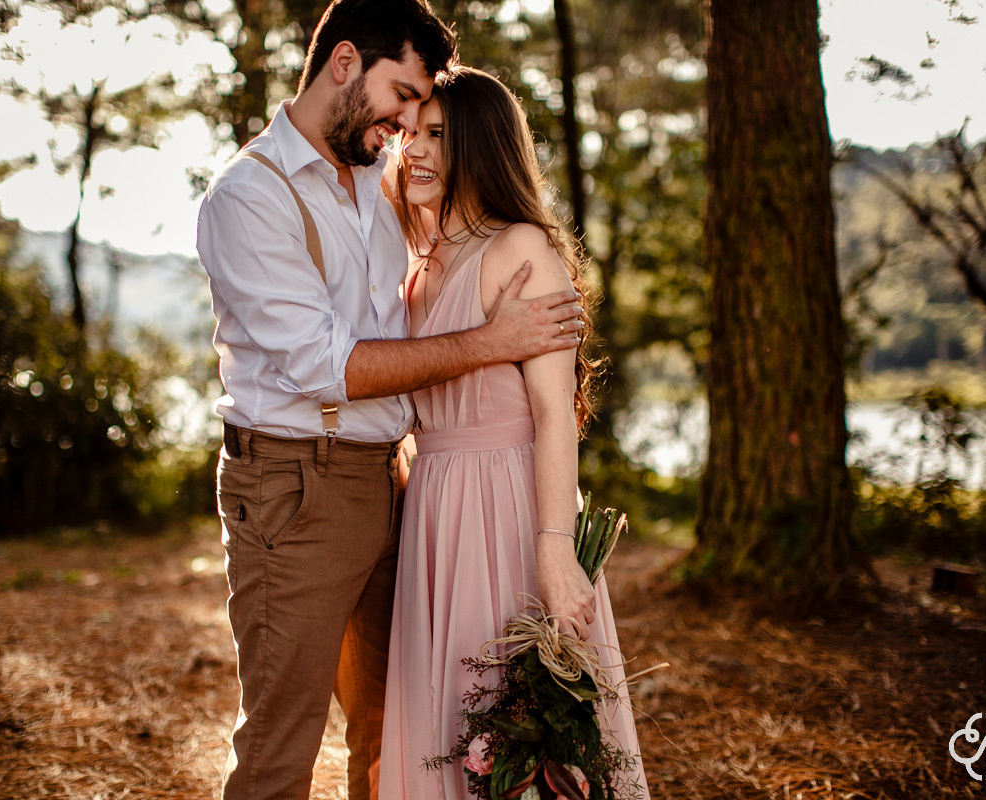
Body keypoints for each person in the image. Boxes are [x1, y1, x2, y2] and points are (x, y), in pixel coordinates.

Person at [194, 3, 586, 800]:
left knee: (394, 737)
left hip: (398, 487)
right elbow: (324, 366)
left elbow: (477, 233)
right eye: (402, 96)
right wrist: (491, 341)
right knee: (281, 742)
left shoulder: (383, 179)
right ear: (344, 64)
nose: (407, 127)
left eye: (424, 114)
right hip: (294, 489)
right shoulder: (248, 199)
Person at [379, 66, 651, 799]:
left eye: (438, 135)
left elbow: (555, 414)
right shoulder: (418, 267)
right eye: (409, 134)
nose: (415, 151)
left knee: (515, 715)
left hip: (506, 506)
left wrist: (556, 550)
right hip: (433, 512)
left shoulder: (521, 249)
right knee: (445, 725)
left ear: (481, 146)